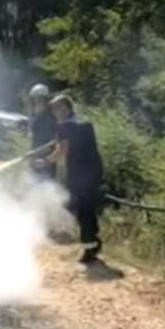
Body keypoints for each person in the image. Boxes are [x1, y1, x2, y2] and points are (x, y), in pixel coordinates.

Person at [40, 94, 105, 264]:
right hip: (94, 170)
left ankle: (90, 250)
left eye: (57, 108)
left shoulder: (65, 127)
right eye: (53, 109)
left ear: (67, 108)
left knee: (80, 210)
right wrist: (55, 143)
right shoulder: (82, 122)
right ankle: (94, 241)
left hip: (80, 174)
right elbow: (67, 143)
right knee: (85, 209)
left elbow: (62, 152)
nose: (55, 112)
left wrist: (44, 161)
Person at [27, 84, 57, 180]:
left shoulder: (48, 118)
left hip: (45, 160)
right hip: (36, 157)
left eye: (40, 99)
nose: (36, 102)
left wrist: (40, 158)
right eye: (35, 100)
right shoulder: (37, 116)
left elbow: (51, 142)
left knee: (46, 185)